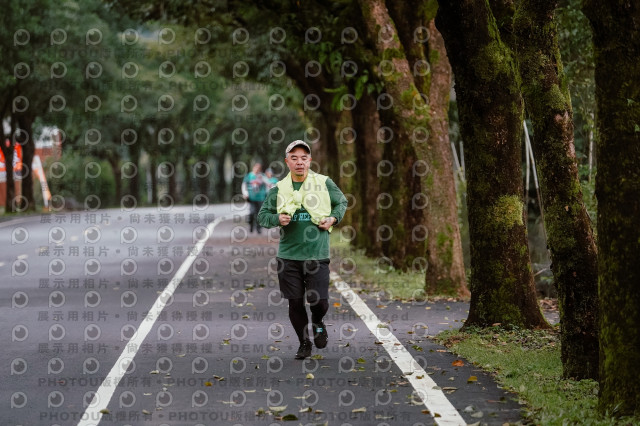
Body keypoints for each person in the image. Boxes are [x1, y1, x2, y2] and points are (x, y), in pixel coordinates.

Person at [258, 140, 347, 359]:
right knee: (295, 302)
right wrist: (277, 218)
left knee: (320, 302)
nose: (300, 162)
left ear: (310, 160)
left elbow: (341, 202)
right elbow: (262, 216)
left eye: (304, 158)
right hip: (289, 256)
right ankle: (303, 342)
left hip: (317, 254)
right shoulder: (279, 188)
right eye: (294, 158)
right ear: (287, 162)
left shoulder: (324, 183)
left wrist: (333, 219)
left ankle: (317, 322)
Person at [241, 162, 267, 233]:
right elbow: (244, 185)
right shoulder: (249, 176)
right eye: (256, 168)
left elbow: (268, 183)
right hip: (251, 197)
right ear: (253, 168)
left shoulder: (262, 176)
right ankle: (251, 225)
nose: (257, 170)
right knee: (252, 212)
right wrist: (245, 193)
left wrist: (262, 178)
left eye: (258, 169)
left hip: (260, 197)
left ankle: (258, 228)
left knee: (259, 213)